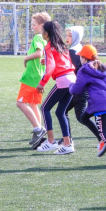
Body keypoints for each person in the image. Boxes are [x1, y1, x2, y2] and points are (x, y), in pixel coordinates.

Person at [36, 21, 78, 155]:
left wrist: (42, 82)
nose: (41, 33)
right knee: (60, 112)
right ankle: (67, 144)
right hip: (72, 79)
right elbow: (64, 62)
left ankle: (51, 141)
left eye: (43, 31)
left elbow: (51, 67)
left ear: (46, 34)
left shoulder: (48, 47)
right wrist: (47, 60)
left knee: (44, 108)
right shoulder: (62, 45)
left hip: (63, 80)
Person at [64, 26, 106, 155]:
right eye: (66, 35)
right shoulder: (79, 48)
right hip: (78, 88)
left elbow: (75, 71)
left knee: (81, 116)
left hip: (79, 90)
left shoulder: (73, 51)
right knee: (63, 111)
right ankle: (67, 139)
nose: (67, 38)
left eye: (70, 36)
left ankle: (102, 138)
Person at [18, 12, 50, 149]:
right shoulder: (45, 38)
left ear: (41, 25)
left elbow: (39, 53)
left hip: (31, 77)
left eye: (34, 25)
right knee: (33, 105)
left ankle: (38, 129)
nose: (32, 27)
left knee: (20, 103)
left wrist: (26, 58)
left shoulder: (38, 37)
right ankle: (39, 130)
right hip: (38, 77)